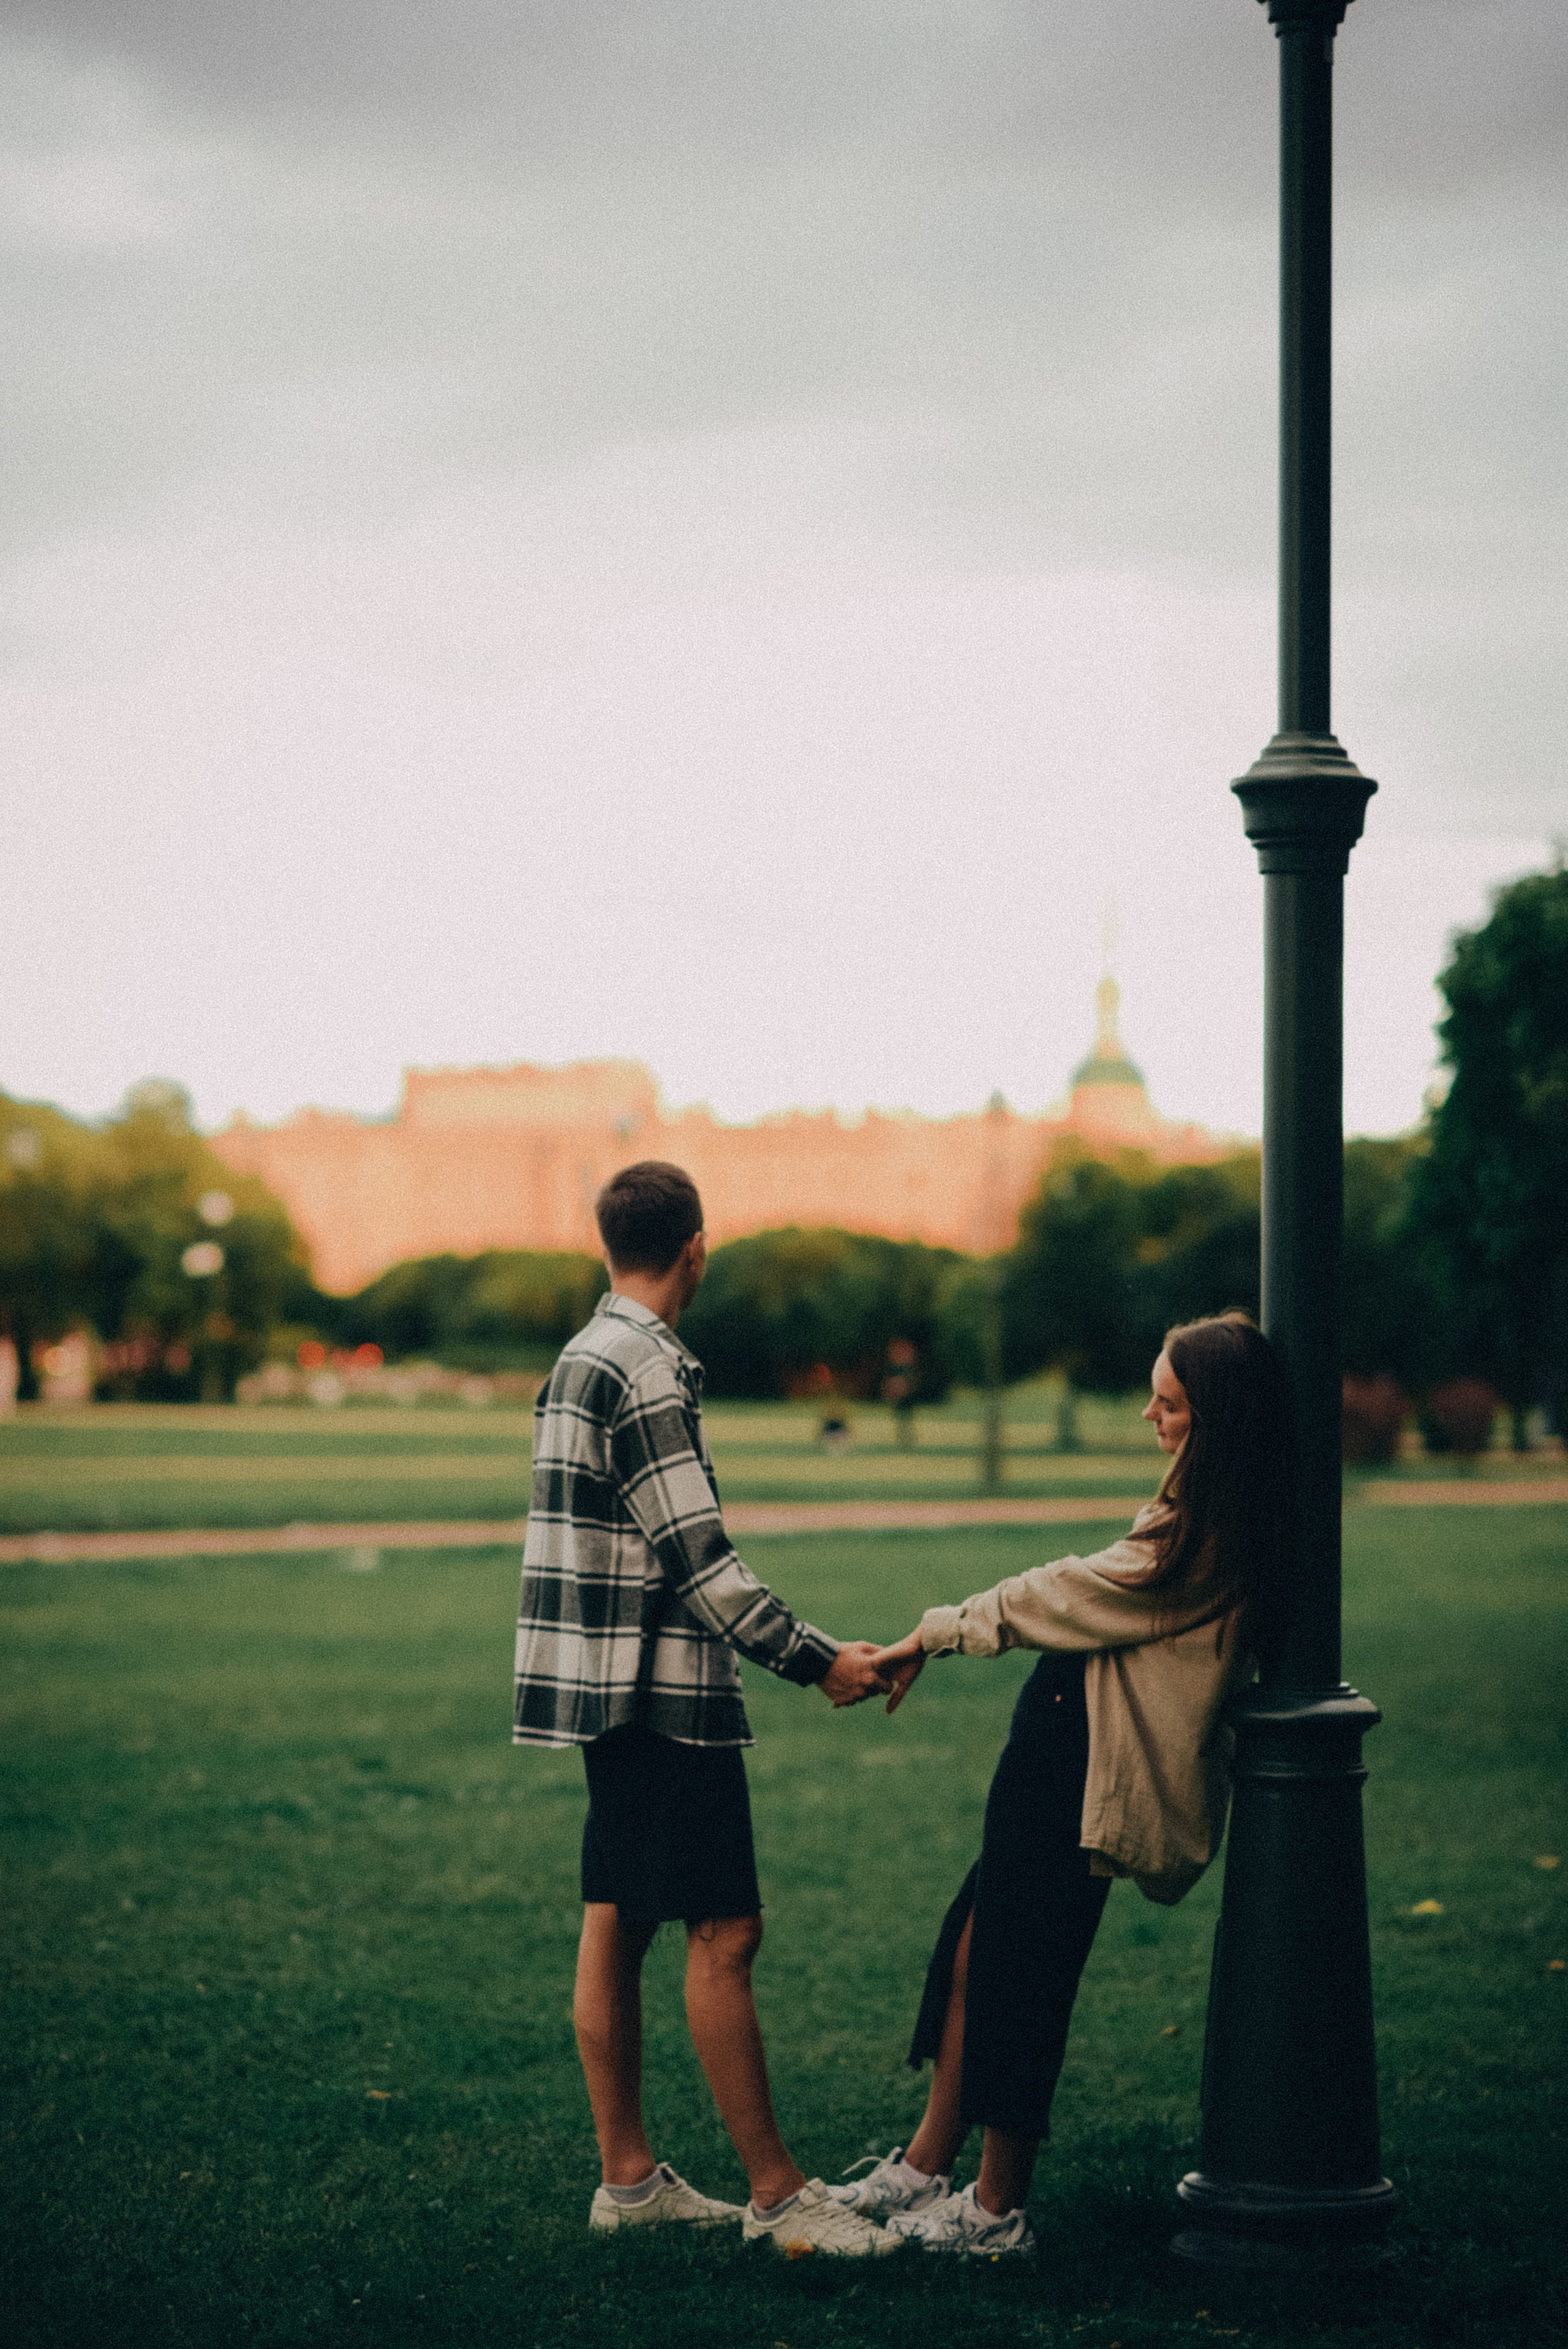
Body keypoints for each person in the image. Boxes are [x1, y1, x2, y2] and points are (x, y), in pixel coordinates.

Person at [831, 1313, 1291, 2260]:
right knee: (975, 1943)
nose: (1149, 1417)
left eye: (1169, 1404)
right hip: (1059, 1750)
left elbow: (1065, 1590)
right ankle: (926, 2166)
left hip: (1090, 1771)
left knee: (1021, 1963)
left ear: (1217, 1421)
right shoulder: (1195, 1516)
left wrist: (938, 1630)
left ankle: (997, 2208)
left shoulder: (1204, 1539)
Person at [513, 1159, 898, 2258]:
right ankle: (780, 2195)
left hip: (603, 1697)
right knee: (725, 1931)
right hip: (664, 1696)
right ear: (697, 1247)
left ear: (606, 1246)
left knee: (620, 1921)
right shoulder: (644, 1367)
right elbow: (704, 1568)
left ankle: (629, 2181)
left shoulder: (581, 1356)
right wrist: (819, 1660)